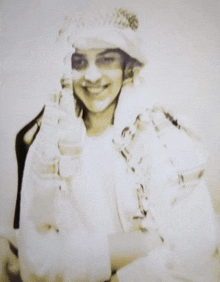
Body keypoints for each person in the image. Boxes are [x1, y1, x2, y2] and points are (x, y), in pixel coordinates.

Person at [0, 8, 219, 282]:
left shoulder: (167, 142)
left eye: (106, 60)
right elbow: (36, 262)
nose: (91, 76)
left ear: (128, 66)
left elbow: (194, 254)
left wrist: (120, 277)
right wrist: (131, 247)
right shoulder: (48, 146)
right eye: (79, 61)